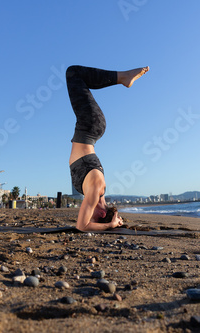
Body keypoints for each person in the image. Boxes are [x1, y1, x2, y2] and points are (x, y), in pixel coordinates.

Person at [66, 65, 149, 231]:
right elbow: (82, 226)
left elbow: (85, 223)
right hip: (90, 125)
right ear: (101, 214)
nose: (88, 213)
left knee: (75, 75)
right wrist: (111, 224)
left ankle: (123, 77)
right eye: (93, 216)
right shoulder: (96, 188)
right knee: (73, 73)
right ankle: (123, 77)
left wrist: (114, 222)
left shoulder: (96, 190)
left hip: (88, 128)